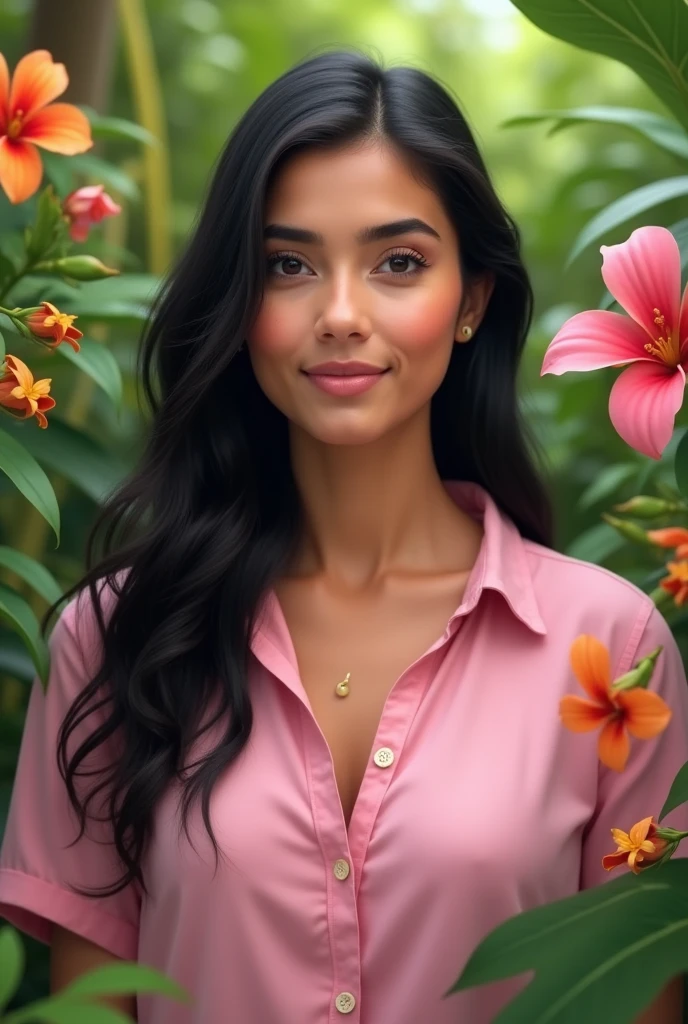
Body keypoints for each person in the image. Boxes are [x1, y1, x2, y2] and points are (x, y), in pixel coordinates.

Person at [0, 46, 686, 1024]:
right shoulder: (115, 638)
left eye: (397, 263)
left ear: (472, 301)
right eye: (288, 266)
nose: (340, 315)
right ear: (241, 304)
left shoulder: (610, 653)